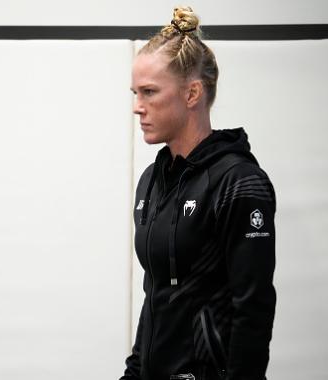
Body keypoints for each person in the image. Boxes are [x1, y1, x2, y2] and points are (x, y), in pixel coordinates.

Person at [121, 6, 276, 380]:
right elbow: (155, 294)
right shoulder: (151, 181)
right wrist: (134, 371)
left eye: (149, 92)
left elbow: (252, 310)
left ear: (192, 93)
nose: (137, 107)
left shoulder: (239, 182)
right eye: (135, 93)